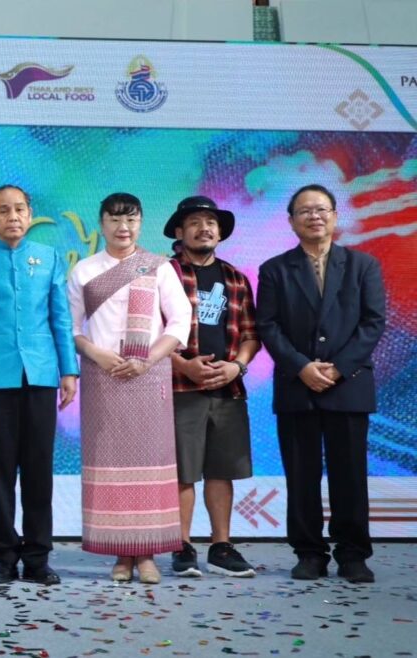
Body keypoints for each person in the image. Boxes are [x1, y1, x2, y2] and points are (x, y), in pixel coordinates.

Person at [256, 184, 386, 583]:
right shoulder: (275, 269)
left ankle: (353, 554)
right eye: (305, 211)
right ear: (291, 221)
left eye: (321, 209)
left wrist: (337, 368)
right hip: (297, 387)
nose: (314, 216)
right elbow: (268, 325)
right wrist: (301, 367)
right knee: (301, 475)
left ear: (334, 216)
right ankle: (309, 553)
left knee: (350, 475)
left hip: (349, 386)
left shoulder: (363, 265)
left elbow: (373, 322)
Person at [0, 185, 78, 586]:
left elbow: (60, 318)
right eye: (4, 211)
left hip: (41, 374)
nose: (13, 217)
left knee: (39, 470)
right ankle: (5, 557)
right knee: (0, 471)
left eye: (20, 209)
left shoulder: (49, 256)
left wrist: (68, 370)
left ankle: (38, 558)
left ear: (30, 214)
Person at [67, 192, 191, 584]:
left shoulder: (159, 267)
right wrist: (97, 355)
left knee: (151, 465)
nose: (124, 228)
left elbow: (180, 321)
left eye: (131, 220)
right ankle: (121, 554)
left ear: (140, 223)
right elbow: (70, 327)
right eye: (115, 220)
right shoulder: (84, 270)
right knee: (111, 467)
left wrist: (147, 360)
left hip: (149, 377)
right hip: (102, 377)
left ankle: (147, 554)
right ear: (102, 223)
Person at [163, 196, 260, 578]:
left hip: (227, 389)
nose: (204, 228)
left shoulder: (236, 278)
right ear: (179, 231)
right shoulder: (163, 273)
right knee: (183, 471)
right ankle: (181, 546)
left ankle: (221, 547)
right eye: (194, 222)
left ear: (220, 233)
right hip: (179, 388)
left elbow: (251, 334)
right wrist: (183, 364)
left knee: (222, 471)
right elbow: (149, 332)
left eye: (211, 223)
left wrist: (237, 367)